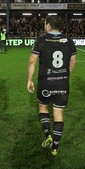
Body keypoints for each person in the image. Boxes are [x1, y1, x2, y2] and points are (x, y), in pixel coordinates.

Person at [27, 15, 77, 156]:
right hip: (62, 82)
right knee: (59, 113)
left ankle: (48, 134)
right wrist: (65, 75)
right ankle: (55, 146)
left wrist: (29, 80)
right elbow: (73, 62)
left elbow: (32, 62)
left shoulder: (41, 40)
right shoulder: (69, 41)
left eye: (44, 23)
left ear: (48, 25)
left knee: (43, 106)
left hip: (45, 82)